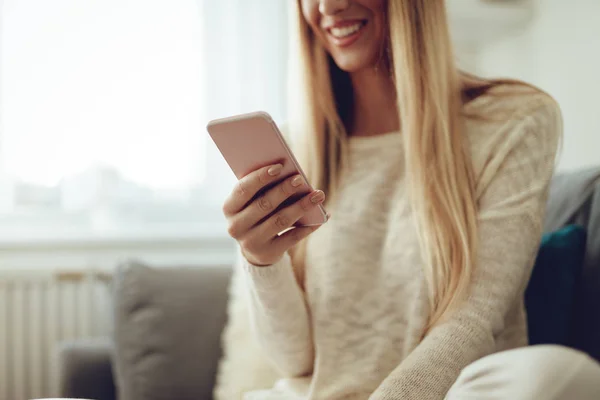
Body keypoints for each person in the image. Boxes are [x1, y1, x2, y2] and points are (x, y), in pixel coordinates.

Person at [220, 0, 600, 399]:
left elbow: (474, 318)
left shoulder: (514, 120)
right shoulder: (297, 148)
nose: (330, 6)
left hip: (452, 390)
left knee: (560, 375)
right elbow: (294, 362)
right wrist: (262, 261)